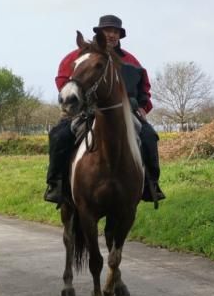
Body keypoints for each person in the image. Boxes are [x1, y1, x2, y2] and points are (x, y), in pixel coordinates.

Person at [44, 14, 164, 206]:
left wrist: (142, 107)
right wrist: (75, 101)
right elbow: (63, 80)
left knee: (149, 136)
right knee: (59, 136)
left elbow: (144, 88)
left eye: (116, 32)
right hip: (83, 110)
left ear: (120, 36)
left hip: (125, 112)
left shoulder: (131, 61)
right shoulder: (79, 56)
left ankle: (151, 184)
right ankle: (56, 184)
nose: (111, 35)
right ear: (99, 33)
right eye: (107, 31)